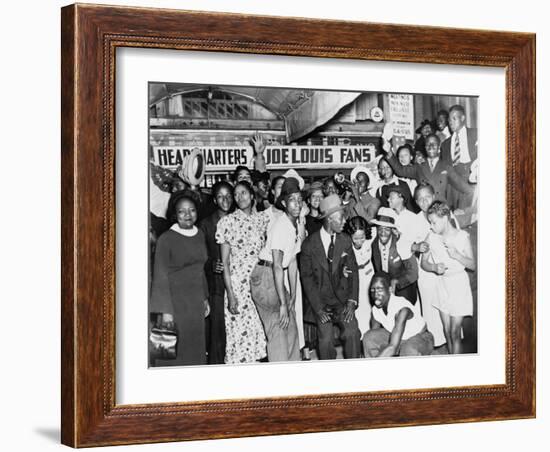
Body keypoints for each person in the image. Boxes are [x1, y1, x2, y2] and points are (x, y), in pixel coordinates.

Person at [150, 193, 210, 366]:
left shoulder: (199, 235)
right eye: (182, 211)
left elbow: (200, 269)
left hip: (195, 305)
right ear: (174, 214)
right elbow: (160, 278)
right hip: (173, 306)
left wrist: (205, 298)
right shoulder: (166, 239)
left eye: (191, 210)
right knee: (171, 355)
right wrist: (165, 313)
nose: (188, 215)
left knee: (195, 351)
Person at [300, 194, 361, 360]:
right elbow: (307, 280)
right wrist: (318, 309)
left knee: (352, 332)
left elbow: (353, 272)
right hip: (322, 304)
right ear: (328, 220)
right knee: (325, 340)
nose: (344, 222)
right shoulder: (308, 245)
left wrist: (351, 302)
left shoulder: (345, 241)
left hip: (342, 302)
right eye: (341, 219)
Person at [250, 177, 303, 362]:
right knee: (279, 329)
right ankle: (280, 380)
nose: (297, 204)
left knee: (291, 326)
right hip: (266, 275)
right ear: (283, 203)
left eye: (299, 199)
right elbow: (278, 265)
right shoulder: (281, 226)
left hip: (274, 276)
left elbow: (293, 261)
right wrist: (282, 303)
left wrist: (293, 296)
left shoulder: (295, 224)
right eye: (292, 200)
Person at [215, 181, 269, 364]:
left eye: (244, 193)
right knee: (240, 341)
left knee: (257, 337)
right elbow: (225, 262)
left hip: (259, 284)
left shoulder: (262, 219)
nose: (239, 197)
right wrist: (230, 293)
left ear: (252, 195)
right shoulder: (227, 223)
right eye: (236, 194)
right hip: (238, 287)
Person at [422, 201, 475, 354]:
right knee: (446, 331)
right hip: (442, 285)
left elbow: (472, 265)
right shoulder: (431, 237)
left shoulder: (462, 236)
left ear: (445, 218)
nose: (431, 226)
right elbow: (424, 263)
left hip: (458, 285)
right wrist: (433, 267)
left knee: (455, 332)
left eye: (434, 222)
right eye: (430, 222)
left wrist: (457, 255)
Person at [385, 133, 474, 206]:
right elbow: (400, 171)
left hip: (440, 211)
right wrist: (389, 151)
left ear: (439, 148)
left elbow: (464, 188)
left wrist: (462, 208)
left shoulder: (446, 167)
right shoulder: (419, 167)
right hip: (424, 210)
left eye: (434, 144)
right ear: (425, 147)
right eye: (428, 144)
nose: (431, 146)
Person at [199, 181, 234, 364]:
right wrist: (211, 264)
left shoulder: (238, 219)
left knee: (235, 332)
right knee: (218, 333)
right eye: (220, 196)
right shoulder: (206, 224)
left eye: (228, 195)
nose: (225, 200)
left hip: (237, 286)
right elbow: (199, 256)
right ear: (214, 199)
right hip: (217, 286)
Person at [362, 274, 434, 357]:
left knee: (408, 350)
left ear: (390, 289)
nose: (375, 294)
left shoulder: (401, 309)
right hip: (399, 338)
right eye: (372, 290)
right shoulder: (375, 310)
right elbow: (374, 335)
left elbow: (392, 347)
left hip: (421, 337)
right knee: (369, 337)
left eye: (380, 289)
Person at [412, 183, 446, 349]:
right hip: (425, 271)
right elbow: (406, 244)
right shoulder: (414, 220)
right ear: (417, 202)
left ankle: (451, 342)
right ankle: (435, 344)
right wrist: (417, 245)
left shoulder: (445, 214)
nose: (425, 201)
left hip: (445, 269)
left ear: (434, 196)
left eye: (428, 197)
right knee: (430, 308)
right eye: (420, 199)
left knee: (447, 307)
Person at [371, 207, 419, 304]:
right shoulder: (374, 245)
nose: (383, 233)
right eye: (380, 229)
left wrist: (397, 282)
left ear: (393, 230)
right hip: (386, 295)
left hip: (404, 293)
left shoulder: (402, 244)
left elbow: (413, 273)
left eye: (387, 229)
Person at [440, 104, 478, 209]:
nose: (450, 122)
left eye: (454, 118)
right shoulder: (445, 144)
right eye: (449, 119)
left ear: (463, 118)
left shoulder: (476, 134)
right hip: (453, 185)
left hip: (471, 180)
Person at [345, 216, 375, 337]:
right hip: (357, 278)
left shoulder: (371, 238)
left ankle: (372, 335)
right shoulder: (346, 246)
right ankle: (362, 337)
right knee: (361, 308)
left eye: (362, 237)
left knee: (372, 306)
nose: (359, 241)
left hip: (370, 273)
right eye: (355, 238)